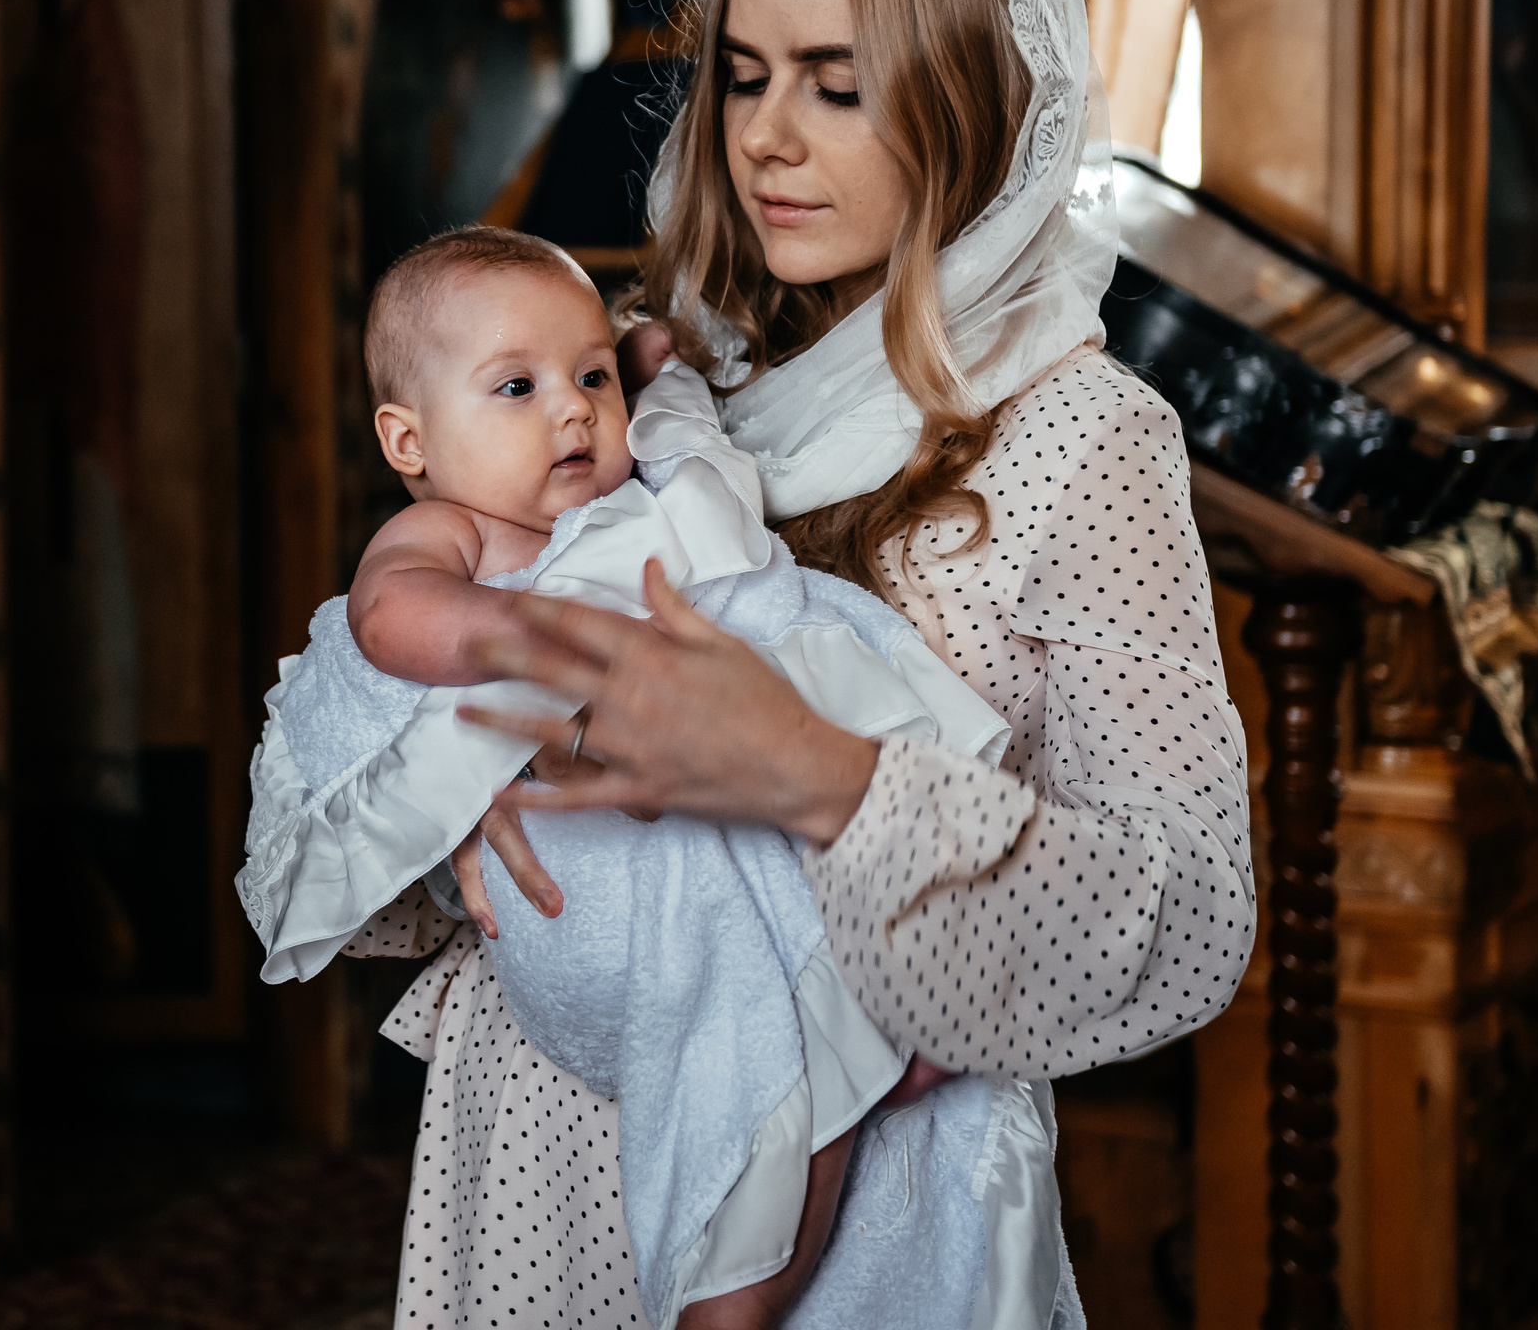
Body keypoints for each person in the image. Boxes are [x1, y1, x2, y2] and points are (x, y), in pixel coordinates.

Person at [332, 0, 1253, 1328]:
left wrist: (822, 776)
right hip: (549, 1151)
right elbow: (381, 765)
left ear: (979, 100)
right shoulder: (652, 371)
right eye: (744, 75)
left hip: (867, 1191)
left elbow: (1186, 914)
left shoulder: (1079, 438)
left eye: (838, 84)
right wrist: (465, 773)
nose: (765, 137)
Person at [241, 226, 1046, 1329]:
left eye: (585, 379)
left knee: (806, 1048)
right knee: (748, 1031)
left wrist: (650, 359)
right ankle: (736, 1282)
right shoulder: (453, 532)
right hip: (607, 893)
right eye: (515, 387)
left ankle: (769, 1245)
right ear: (408, 440)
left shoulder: (645, 485)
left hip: (714, 839)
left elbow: (667, 396)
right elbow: (389, 619)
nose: (571, 410)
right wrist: (547, 651)